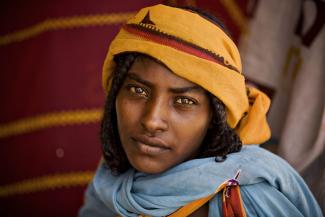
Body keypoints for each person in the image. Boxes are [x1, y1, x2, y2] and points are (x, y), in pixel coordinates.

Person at [79, 4, 323, 217]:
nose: (152, 121)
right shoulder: (114, 179)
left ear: (215, 118)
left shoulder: (244, 201)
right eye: (137, 90)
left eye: (184, 102)